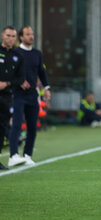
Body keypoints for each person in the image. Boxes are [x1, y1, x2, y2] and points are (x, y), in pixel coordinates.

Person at [8, 26, 51, 167]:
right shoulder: (15, 52)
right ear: (21, 37)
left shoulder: (37, 54)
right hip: (18, 94)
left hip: (32, 95)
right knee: (17, 125)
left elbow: (41, 72)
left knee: (32, 127)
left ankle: (27, 155)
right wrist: (19, 81)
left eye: (32, 34)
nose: (31, 36)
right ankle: (13, 155)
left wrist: (47, 88)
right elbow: (9, 73)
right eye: (28, 34)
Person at [0, 26, 25, 169]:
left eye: (13, 36)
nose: (10, 38)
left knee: (2, 127)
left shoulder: (18, 57)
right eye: (8, 35)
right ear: (2, 35)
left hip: (6, 96)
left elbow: (21, 78)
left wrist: (7, 83)